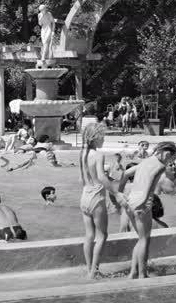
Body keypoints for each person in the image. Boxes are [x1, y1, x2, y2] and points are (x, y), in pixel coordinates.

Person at [118, 141, 176, 279]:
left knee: (140, 239)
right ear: (167, 153)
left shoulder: (145, 161)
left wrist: (119, 193)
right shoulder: (161, 166)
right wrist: (144, 200)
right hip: (142, 203)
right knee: (145, 240)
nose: (171, 162)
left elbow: (126, 173)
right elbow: (151, 180)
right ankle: (142, 274)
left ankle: (133, 272)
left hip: (129, 202)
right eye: (172, 159)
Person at [79, 116, 118, 279]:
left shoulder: (82, 154)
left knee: (89, 235)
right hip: (96, 198)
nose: (104, 139)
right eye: (103, 136)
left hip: (84, 198)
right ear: (96, 137)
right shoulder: (98, 155)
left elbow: (81, 179)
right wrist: (116, 192)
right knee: (102, 235)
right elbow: (102, 178)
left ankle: (89, 269)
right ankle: (94, 271)